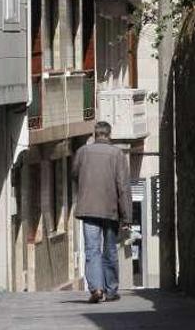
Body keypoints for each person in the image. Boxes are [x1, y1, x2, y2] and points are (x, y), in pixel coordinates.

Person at [72, 121, 131, 303]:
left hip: (88, 209)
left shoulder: (82, 152)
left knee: (92, 250)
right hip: (110, 210)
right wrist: (127, 215)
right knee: (110, 250)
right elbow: (123, 186)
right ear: (109, 134)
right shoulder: (117, 154)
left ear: (95, 134)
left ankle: (96, 288)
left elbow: (74, 175)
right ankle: (111, 290)